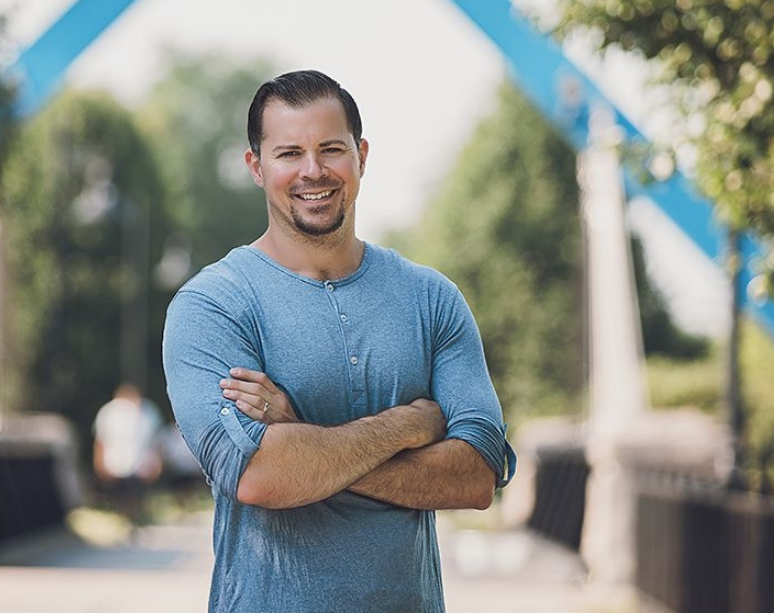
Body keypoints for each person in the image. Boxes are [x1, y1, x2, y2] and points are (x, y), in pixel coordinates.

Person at [162, 70, 515, 613]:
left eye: (331, 149)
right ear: (256, 166)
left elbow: (476, 476)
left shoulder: (431, 298)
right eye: (289, 153)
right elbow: (258, 474)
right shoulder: (212, 305)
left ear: (361, 156)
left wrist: (300, 436)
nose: (313, 171)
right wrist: (409, 426)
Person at [92, 383, 163, 525]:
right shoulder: (108, 413)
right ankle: (123, 519)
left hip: (140, 467)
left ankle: (134, 519)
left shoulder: (149, 412)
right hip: (115, 465)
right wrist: (99, 464)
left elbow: (156, 442)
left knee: (136, 497)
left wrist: (157, 464)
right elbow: (100, 441)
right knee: (118, 498)